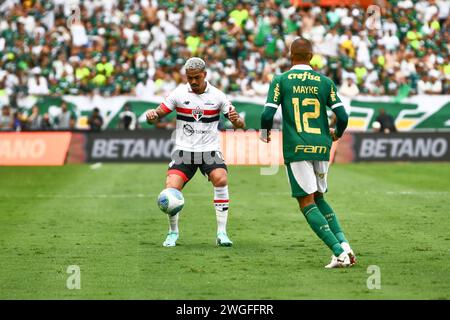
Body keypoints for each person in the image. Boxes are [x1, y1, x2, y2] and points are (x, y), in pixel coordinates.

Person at [260, 38, 356, 268]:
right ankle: (345, 247)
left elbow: (267, 115)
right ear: (311, 57)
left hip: (298, 147)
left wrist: (265, 133)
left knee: (306, 201)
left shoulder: (281, 80)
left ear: (290, 54)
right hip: (322, 147)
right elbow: (342, 117)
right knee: (319, 197)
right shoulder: (325, 82)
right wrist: (337, 134)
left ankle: (338, 253)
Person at [146, 57, 245, 247]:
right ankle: (172, 233)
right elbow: (157, 115)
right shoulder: (178, 94)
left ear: (205, 75)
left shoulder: (218, 96)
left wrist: (237, 121)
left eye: (196, 78)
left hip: (209, 150)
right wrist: (152, 115)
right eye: (189, 77)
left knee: (221, 178)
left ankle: (222, 233)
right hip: (184, 151)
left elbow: (240, 124)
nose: (192, 81)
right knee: (171, 188)